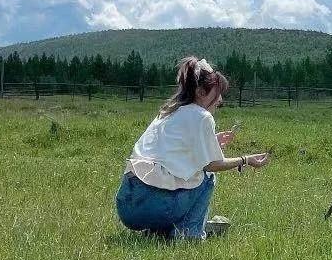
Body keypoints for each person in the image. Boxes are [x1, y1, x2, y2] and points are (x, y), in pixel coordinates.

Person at [115, 56, 270, 240]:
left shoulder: (168, 110)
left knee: (188, 176)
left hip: (126, 204)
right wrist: (246, 159)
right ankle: (190, 233)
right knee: (208, 177)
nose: (220, 99)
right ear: (200, 91)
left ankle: (160, 231)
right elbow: (211, 164)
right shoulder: (201, 115)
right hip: (152, 204)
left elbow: (171, 151)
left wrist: (210, 141)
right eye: (216, 92)